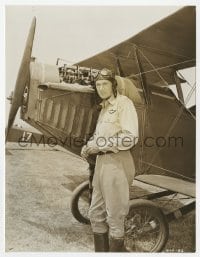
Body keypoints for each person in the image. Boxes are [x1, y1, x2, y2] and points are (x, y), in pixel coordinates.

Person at [81, 68, 139, 252]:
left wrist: (99, 146)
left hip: (117, 163)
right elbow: (101, 135)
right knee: (95, 213)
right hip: (102, 164)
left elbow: (130, 137)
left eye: (105, 84)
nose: (101, 88)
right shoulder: (104, 108)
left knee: (114, 217)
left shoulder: (124, 103)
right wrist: (89, 145)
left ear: (113, 85)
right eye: (98, 85)